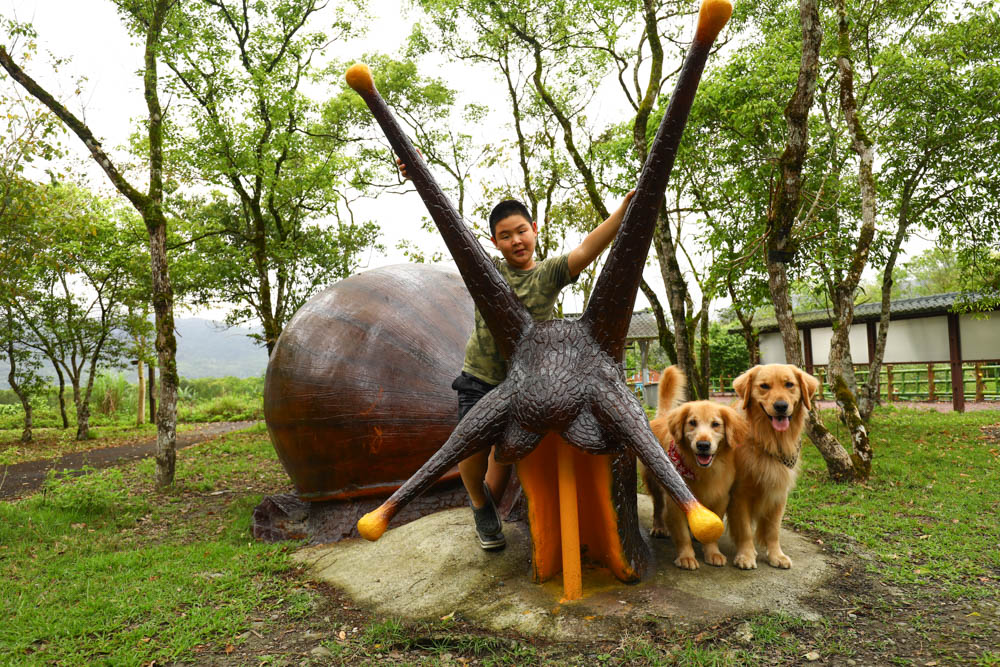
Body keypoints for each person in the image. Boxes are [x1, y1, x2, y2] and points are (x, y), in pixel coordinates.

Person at [398, 156, 634, 550]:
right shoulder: (488, 272)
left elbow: (587, 248)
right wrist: (420, 179)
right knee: (470, 449)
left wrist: (622, 212)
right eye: (505, 236)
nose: (516, 241)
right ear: (494, 242)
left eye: (521, 231)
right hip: (480, 377)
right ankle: (479, 506)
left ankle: (499, 505)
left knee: (506, 456)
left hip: (525, 383)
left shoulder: (549, 274)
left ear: (534, 229)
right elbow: (450, 228)